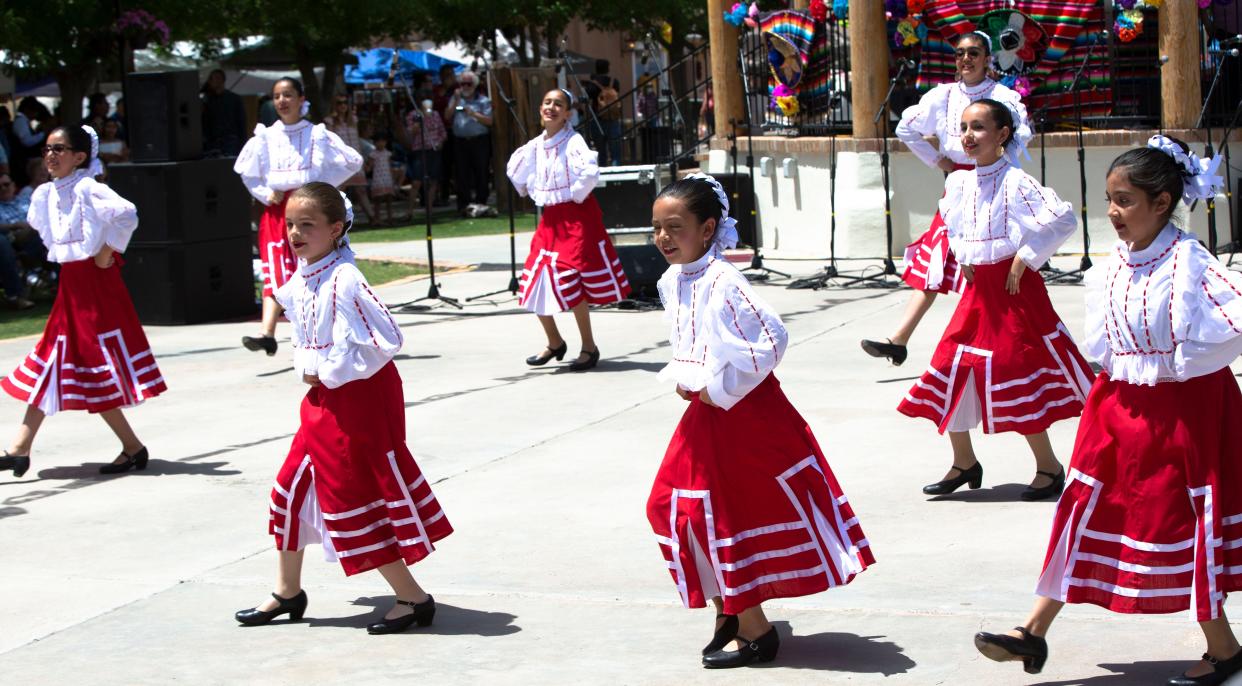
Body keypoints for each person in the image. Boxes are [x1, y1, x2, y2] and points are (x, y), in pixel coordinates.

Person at [973, 137, 1242, 686]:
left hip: (1180, 412)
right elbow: (1105, 343)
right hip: (1116, 408)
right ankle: (1033, 632)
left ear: (1162, 203)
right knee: (1081, 507)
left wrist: (1182, 362)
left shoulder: (1190, 261)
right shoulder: (1113, 264)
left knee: (1184, 523)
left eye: (1125, 201)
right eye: (1109, 199)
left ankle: (1225, 647)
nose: (1112, 212)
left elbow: (1234, 322)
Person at [646, 174, 874, 668]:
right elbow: (698, 344)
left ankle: (755, 629)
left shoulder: (724, 281)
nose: (663, 237)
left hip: (745, 416)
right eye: (657, 228)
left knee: (711, 514)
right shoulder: (674, 280)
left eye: (675, 227)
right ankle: (729, 611)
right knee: (674, 506)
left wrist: (717, 388)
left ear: (708, 229)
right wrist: (691, 379)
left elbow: (771, 341)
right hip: (709, 415)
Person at [233, 182, 452, 633]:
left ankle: (413, 598)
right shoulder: (308, 273)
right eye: (291, 224)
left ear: (336, 229)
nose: (294, 232)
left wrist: (327, 371)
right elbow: (305, 329)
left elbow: (385, 337)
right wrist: (311, 368)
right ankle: (288, 592)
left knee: (353, 495)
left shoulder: (345, 277)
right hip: (325, 399)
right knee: (291, 489)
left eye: (306, 225)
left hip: (357, 399)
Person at [897, 99, 1093, 500]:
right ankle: (964, 461)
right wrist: (964, 254)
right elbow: (952, 223)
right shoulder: (959, 182)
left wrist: (1025, 256)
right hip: (979, 292)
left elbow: (1063, 219)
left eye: (979, 128)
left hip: (1014, 293)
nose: (968, 136)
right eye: (964, 128)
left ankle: (1049, 467)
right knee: (949, 365)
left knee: (1014, 372)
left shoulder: (1017, 182)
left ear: (1003, 135)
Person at [0, 126, 165, 479]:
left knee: (88, 367)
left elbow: (127, 214)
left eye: (60, 149)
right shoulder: (45, 193)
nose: (50, 155)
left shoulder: (88, 186)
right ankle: (21, 448)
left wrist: (107, 249)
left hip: (94, 288)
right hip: (71, 287)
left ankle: (131, 448)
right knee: (53, 364)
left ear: (80, 156)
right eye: (47, 149)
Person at [862, 32, 1030, 366]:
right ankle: (899, 340)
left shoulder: (1002, 96)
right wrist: (940, 161)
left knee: (994, 267)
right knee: (936, 261)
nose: (965, 59)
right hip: (957, 186)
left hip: (992, 186)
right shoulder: (943, 96)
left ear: (987, 58)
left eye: (973, 53)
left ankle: (1013, 342)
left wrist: (995, 169)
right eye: (959, 54)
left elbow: (1021, 135)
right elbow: (906, 128)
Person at [233, 77, 363, 357]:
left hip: (308, 209)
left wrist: (320, 187)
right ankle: (267, 332)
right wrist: (265, 192)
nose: (282, 101)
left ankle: (314, 333)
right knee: (276, 269)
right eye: (277, 96)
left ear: (301, 98)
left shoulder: (317, 134)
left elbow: (352, 161)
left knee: (312, 270)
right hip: (278, 213)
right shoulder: (265, 137)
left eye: (288, 94)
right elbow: (246, 171)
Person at [506, 89, 630, 371]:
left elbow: (589, 172)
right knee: (533, 280)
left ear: (567, 113)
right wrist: (528, 187)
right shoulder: (535, 146)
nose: (551, 107)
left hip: (576, 217)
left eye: (558, 104)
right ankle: (555, 342)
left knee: (570, 279)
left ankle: (589, 346)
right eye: (547, 102)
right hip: (551, 219)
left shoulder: (573, 141)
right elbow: (517, 173)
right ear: (540, 108)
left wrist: (574, 194)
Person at [445, 71, 493, 216]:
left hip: (479, 141)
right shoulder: (456, 99)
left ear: (475, 85)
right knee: (461, 174)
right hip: (460, 142)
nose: (465, 86)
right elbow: (447, 116)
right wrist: (456, 100)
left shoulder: (483, 101)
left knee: (481, 173)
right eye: (462, 84)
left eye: (468, 84)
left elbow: (490, 121)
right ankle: (463, 206)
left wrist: (473, 114)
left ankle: (481, 204)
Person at [324, 94, 376, 226]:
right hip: (340, 162)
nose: (343, 106)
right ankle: (337, 221)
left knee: (361, 190)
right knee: (340, 191)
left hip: (354, 159)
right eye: (340, 103)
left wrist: (362, 159)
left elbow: (357, 141)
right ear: (335, 105)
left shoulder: (353, 120)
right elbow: (329, 143)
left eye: (345, 103)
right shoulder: (330, 121)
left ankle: (373, 218)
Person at [0, 172, 44, 309]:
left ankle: (71, 288)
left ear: (14, 186)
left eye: (6, 184)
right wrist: (15, 226)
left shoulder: (26, 200)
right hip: (10, 241)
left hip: (35, 239)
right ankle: (15, 296)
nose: (3, 188)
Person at [404, 97, 446, 220]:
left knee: (433, 181)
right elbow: (411, 132)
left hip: (434, 150)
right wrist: (420, 120)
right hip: (419, 150)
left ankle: (429, 211)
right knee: (417, 181)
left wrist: (440, 142)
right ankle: (410, 212)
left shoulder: (436, 114)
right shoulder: (413, 115)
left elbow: (442, 132)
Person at [582, 59, 623, 166]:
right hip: (613, 118)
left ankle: (603, 173)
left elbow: (587, 97)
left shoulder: (592, 84)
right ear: (608, 69)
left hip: (597, 119)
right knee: (615, 151)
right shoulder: (614, 82)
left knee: (601, 152)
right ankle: (616, 172)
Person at [201, 68, 247, 156]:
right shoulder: (207, 100)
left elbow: (241, 122)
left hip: (231, 140)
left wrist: (242, 143)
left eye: (216, 78)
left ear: (222, 80)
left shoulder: (234, 99)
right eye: (212, 79)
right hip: (213, 142)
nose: (214, 82)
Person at [8, 97, 49, 187]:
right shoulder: (20, 121)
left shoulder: (23, 121)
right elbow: (26, 141)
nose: (36, 114)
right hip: (23, 161)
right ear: (27, 109)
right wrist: (42, 134)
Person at [368, 132, 395, 224]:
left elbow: (390, 166)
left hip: (387, 178)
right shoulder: (373, 154)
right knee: (378, 200)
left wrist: (392, 177)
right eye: (378, 141)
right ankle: (377, 218)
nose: (381, 143)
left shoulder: (388, 153)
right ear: (375, 143)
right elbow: (370, 167)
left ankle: (390, 217)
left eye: (383, 141)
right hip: (378, 178)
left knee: (389, 199)